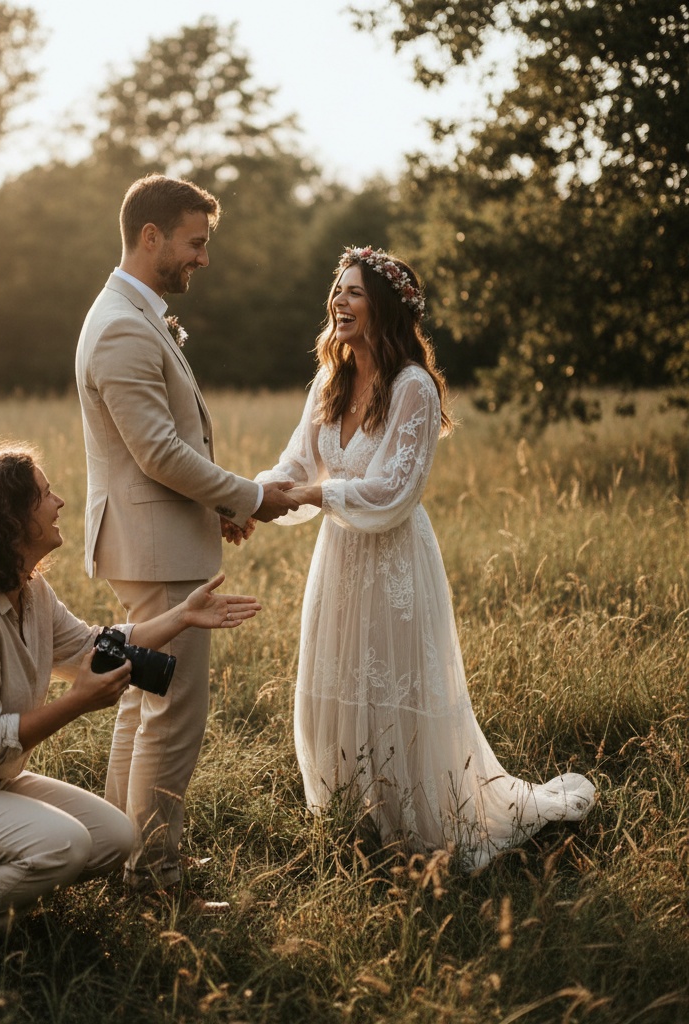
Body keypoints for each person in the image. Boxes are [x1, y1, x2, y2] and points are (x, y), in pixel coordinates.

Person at [253, 246, 596, 871]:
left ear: (384, 307)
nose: (340, 301)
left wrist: (312, 493)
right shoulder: (328, 383)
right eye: (337, 291)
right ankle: (351, 817)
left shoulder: (414, 388)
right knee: (338, 686)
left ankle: (418, 823)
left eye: (354, 292)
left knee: (391, 688)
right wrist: (249, 500)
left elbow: (391, 491)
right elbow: (295, 467)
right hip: (339, 560)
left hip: (394, 563)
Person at [0, 442, 261, 947]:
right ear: (11, 519)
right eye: (45, 495)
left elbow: (91, 646)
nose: (60, 502)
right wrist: (77, 702)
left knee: (113, 838)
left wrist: (182, 615)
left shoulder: (29, 591)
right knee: (64, 845)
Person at [75, 174, 299, 892]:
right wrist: (253, 497)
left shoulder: (136, 315)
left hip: (159, 539)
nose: (202, 257)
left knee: (144, 704)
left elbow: (168, 449)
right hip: (156, 552)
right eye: (195, 243)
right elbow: (159, 453)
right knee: (172, 715)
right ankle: (154, 873)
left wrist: (219, 509)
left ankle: (121, 857)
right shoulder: (119, 325)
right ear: (151, 237)